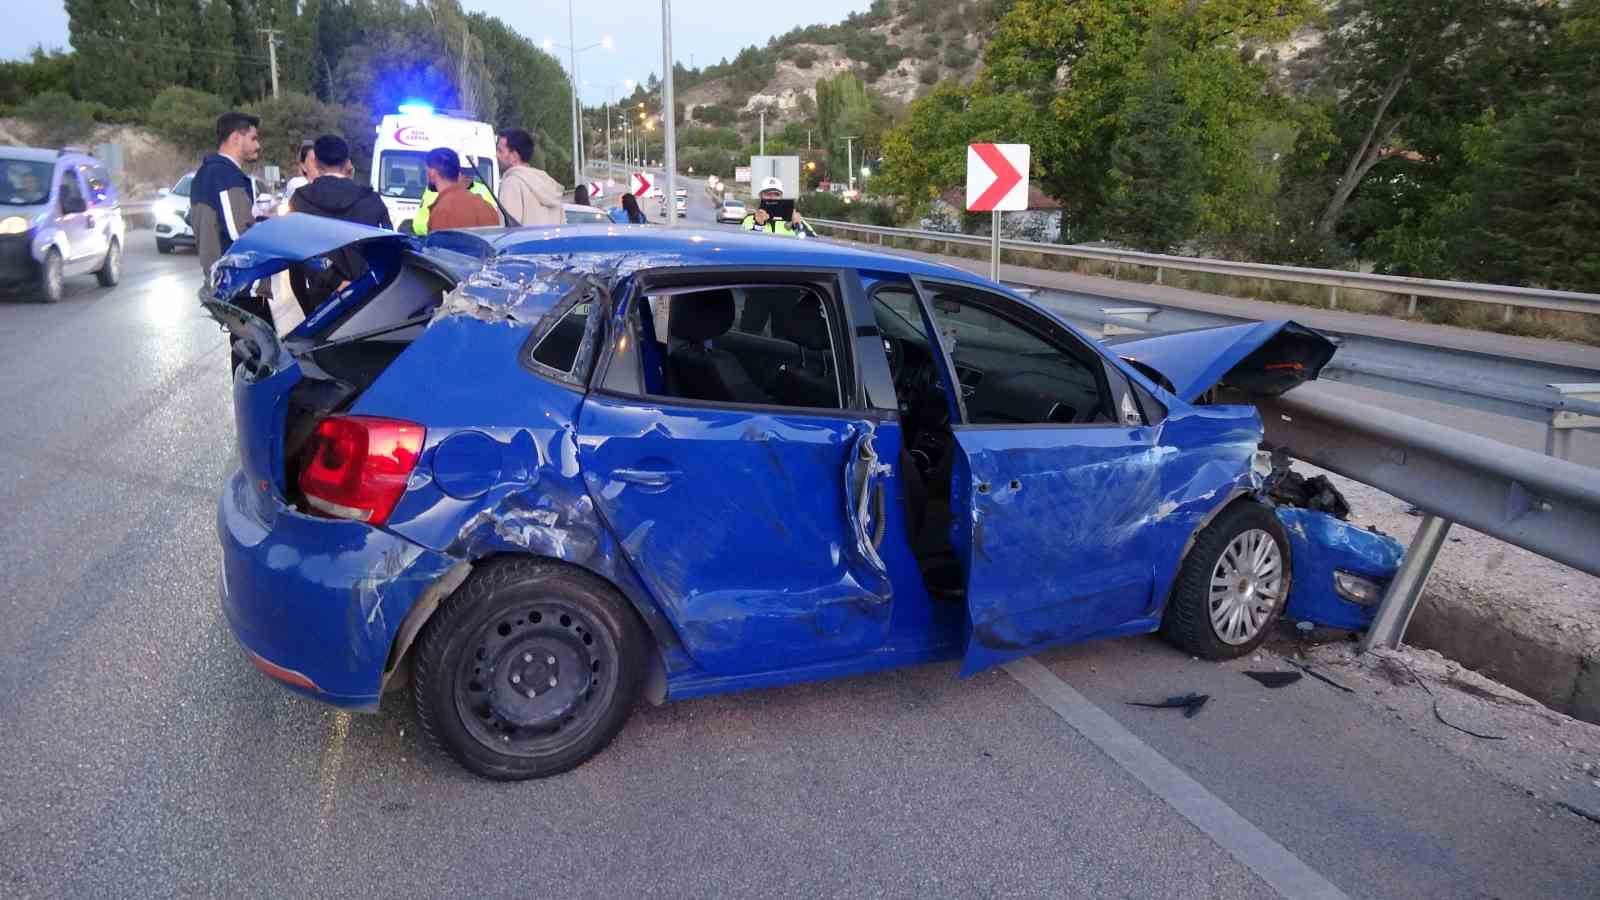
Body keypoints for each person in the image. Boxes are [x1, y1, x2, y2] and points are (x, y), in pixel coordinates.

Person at [286, 134, 393, 313]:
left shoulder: (299, 200)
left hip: (322, 299)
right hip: (367, 296)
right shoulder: (371, 199)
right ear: (347, 162)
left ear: (317, 163)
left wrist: (333, 281)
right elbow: (388, 247)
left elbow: (299, 252)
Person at [192, 111, 261, 276]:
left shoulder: (205, 173)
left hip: (219, 283)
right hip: (239, 285)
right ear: (236, 138)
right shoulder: (225, 175)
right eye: (253, 138)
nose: (258, 145)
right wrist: (271, 224)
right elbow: (240, 234)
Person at [495, 128, 563, 226]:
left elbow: (507, 234)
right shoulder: (549, 185)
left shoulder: (512, 183)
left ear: (514, 156)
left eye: (500, 151)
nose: (496, 155)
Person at [410, 162, 499, 235]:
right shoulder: (435, 190)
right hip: (439, 246)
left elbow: (493, 225)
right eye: (464, 172)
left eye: (471, 173)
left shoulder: (483, 190)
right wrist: (441, 230)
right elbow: (418, 224)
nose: (468, 176)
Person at [424, 147, 500, 231]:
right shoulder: (487, 207)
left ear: (432, 173)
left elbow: (440, 243)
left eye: (425, 171)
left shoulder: (442, 211)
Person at [741, 176, 807, 237]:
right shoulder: (749, 219)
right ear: (760, 196)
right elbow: (746, 245)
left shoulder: (793, 219)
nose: (772, 198)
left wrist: (798, 227)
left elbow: (813, 242)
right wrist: (758, 225)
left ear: (781, 197)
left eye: (776, 194)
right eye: (768, 194)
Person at [278, 140, 314, 215]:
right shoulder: (297, 184)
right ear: (303, 166)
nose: (318, 165)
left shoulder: (330, 185)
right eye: (313, 161)